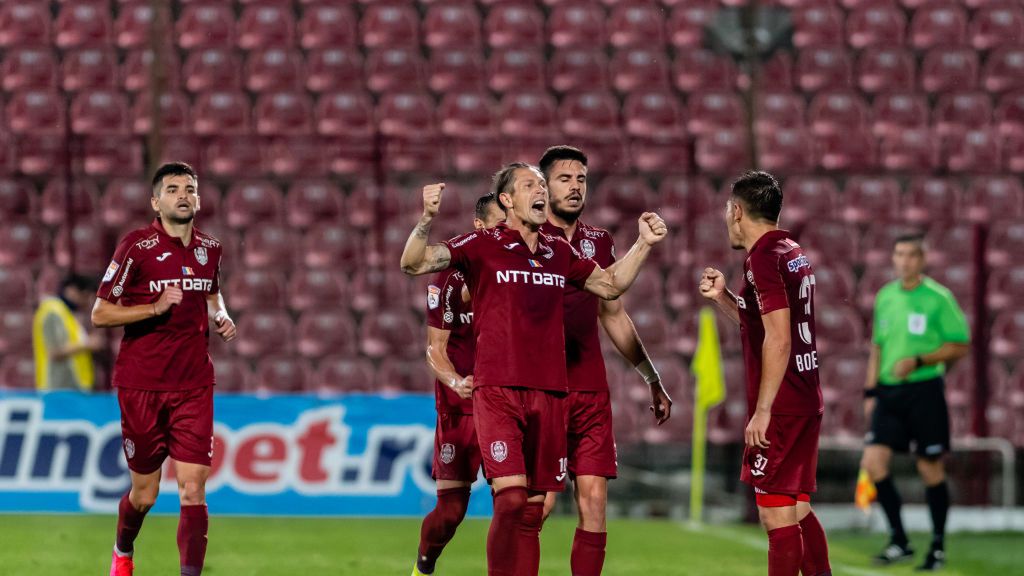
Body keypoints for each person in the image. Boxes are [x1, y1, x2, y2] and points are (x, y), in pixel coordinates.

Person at [400, 163, 666, 576]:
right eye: (530, 185)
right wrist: (427, 219)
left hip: (551, 393)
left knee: (533, 507)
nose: (541, 191)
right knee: (509, 498)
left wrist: (644, 245)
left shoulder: (558, 250)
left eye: (542, 185)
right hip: (498, 391)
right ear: (507, 200)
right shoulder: (481, 244)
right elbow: (414, 264)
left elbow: (610, 286)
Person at [92, 162, 237, 576]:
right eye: (172, 189)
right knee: (145, 494)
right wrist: (154, 308)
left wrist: (221, 315)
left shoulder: (211, 249)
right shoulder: (135, 248)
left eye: (189, 188)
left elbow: (212, 293)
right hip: (142, 384)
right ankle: (123, 549)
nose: (183, 195)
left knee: (193, 489)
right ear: (156, 201)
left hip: (194, 384)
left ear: (199, 198)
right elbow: (100, 314)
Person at [537, 145, 672, 576]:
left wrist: (650, 376)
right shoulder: (525, 240)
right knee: (538, 505)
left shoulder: (599, 241)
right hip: (542, 389)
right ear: (543, 187)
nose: (575, 187)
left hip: (590, 390)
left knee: (594, 502)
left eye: (581, 179)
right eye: (564, 179)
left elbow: (612, 312)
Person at [699, 171, 831, 576]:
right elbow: (763, 322)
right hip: (805, 395)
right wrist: (724, 297)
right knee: (797, 507)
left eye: (727, 209)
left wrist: (762, 410)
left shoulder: (762, 258)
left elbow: (777, 339)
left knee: (776, 519)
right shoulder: (791, 250)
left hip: (784, 404)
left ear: (737, 211)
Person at [860, 234, 969, 571]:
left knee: (929, 467)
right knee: (874, 462)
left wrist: (922, 361)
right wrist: (870, 391)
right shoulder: (885, 296)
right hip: (889, 393)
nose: (904, 261)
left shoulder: (939, 298)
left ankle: (936, 546)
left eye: (911, 255)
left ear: (923, 259)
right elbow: (877, 347)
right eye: (899, 254)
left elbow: (959, 345)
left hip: (924, 391)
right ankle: (899, 540)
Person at [413, 193, 505, 576]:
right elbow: (434, 349)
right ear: (480, 227)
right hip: (460, 407)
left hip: (506, 402)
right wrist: (455, 381)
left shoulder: (521, 270)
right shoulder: (448, 279)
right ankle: (423, 567)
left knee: (517, 506)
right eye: (501, 223)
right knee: (451, 512)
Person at [32, 274, 104, 390]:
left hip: (72, 388)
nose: (86, 303)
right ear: (72, 291)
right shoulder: (52, 312)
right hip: (58, 388)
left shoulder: (66, 313)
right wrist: (87, 344)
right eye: (85, 296)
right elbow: (54, 351)